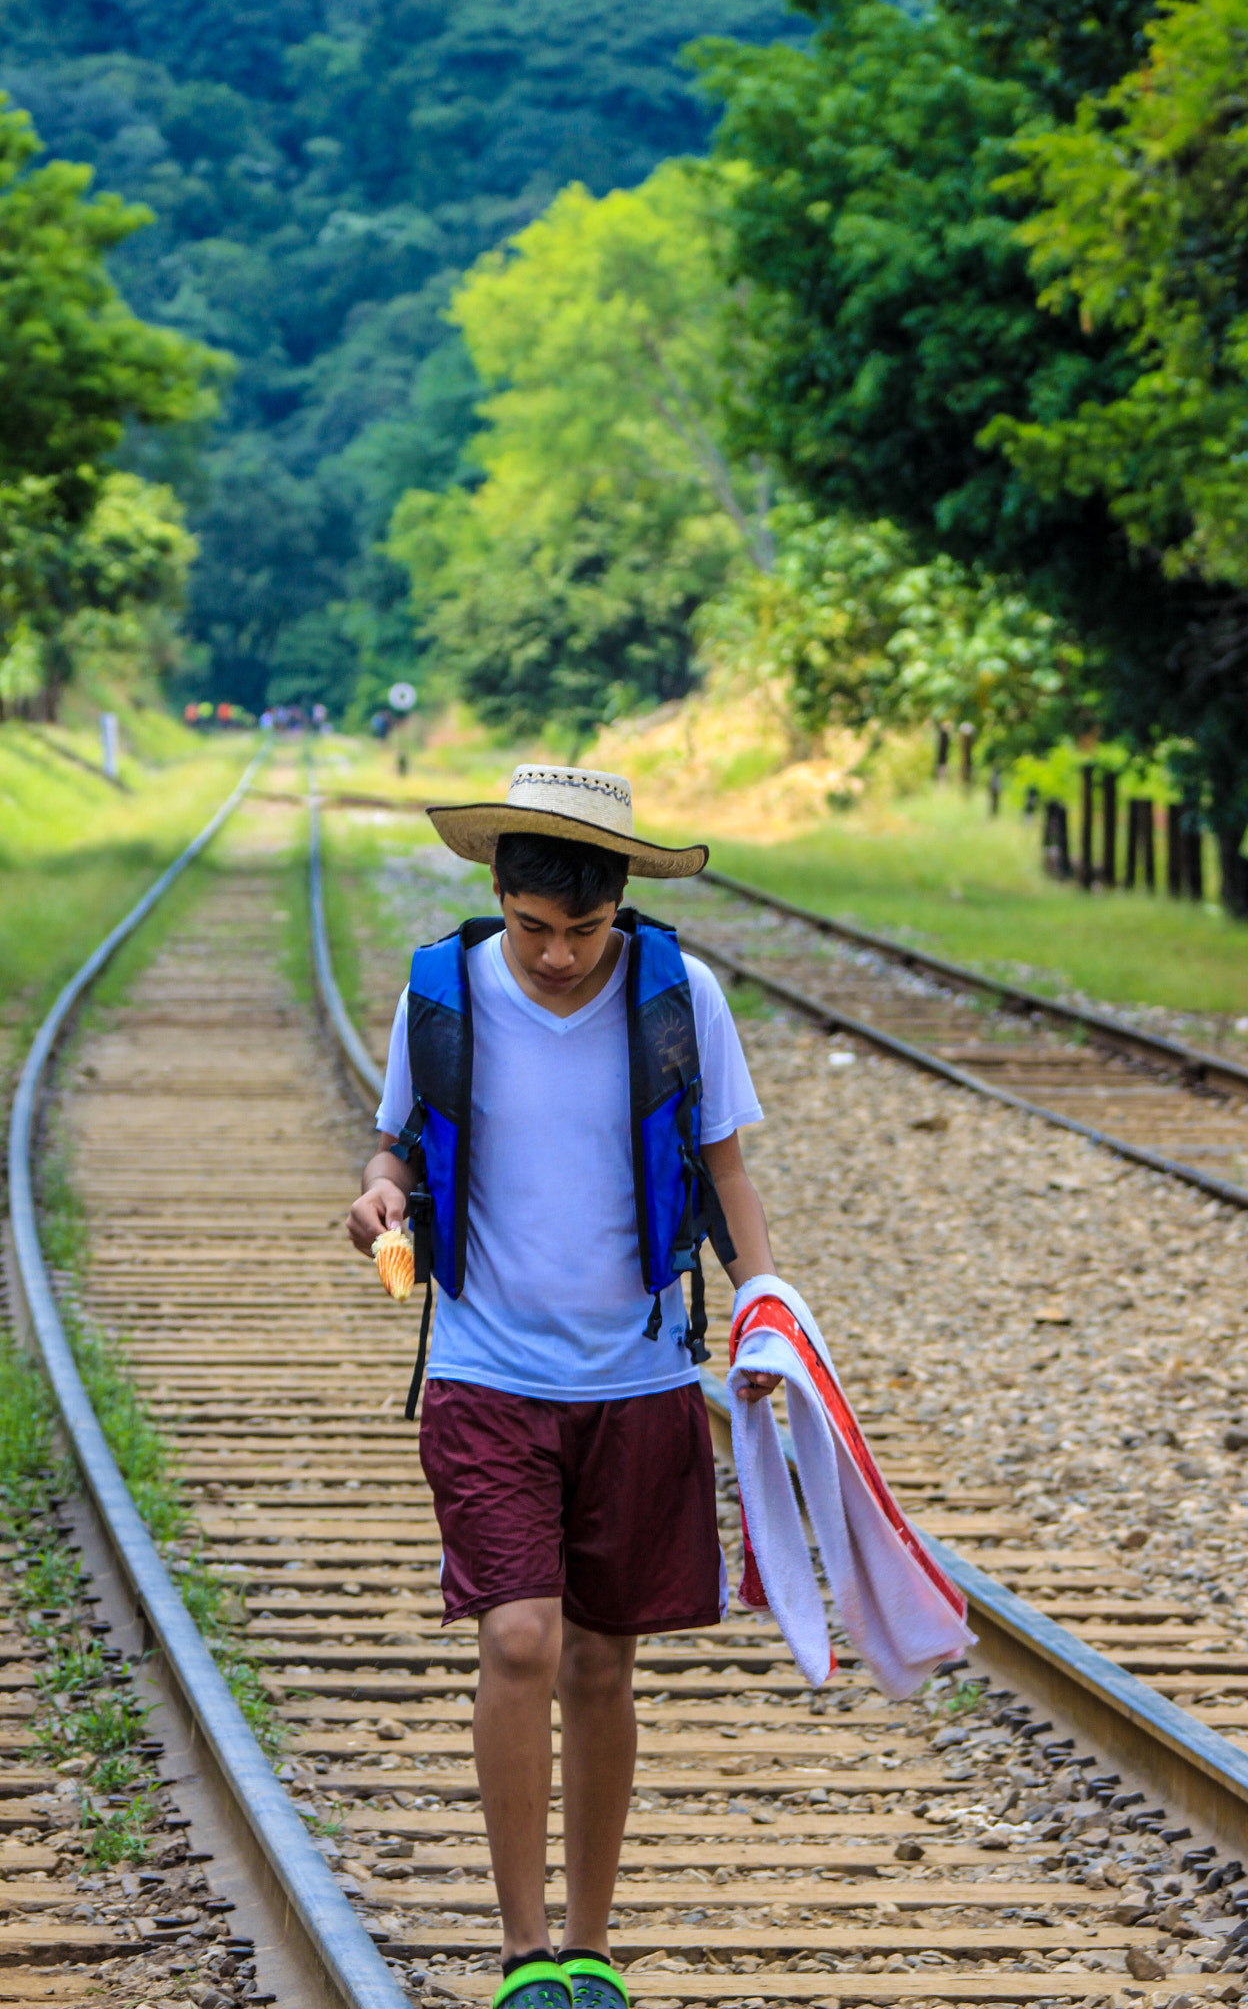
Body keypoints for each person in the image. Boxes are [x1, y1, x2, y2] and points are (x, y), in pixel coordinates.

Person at [346, 766, 781, 2009]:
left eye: (582, 932)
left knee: (603, 1659)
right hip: (488, 1368)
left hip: (641, 1375)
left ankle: (591, 1942)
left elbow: (727, 1172)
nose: (555, 955)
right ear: (499, 895)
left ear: (621, 911)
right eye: (534, 927)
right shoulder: (442, 992)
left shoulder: (679, 996)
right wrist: (378, 1189)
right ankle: (523, 1949)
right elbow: (393, 1136)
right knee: (520, 1633)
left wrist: (769, 1313)